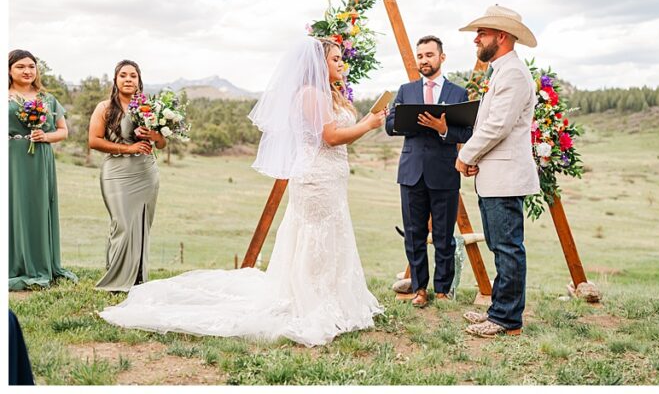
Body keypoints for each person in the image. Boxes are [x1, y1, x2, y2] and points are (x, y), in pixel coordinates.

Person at [100, 37, 386, 347]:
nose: (340, 64)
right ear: (318, 65)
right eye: (334, 59)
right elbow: (330, 137)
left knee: (330, 235)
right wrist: (369, 124)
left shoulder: (328, 94)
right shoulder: (309, 95)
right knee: (315, 238)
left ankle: (332, 296)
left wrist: (366, 121)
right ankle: (313, 301)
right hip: (317, 178)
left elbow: (341, 138)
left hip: (331, 177)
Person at [455, 5, 540, 338]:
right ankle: (499, 310)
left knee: (508, 248)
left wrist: (467, 156)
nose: (476, 39)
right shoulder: (500, 72)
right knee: (499, 245)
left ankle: (507, 319)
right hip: (494, 176)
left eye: (483, 33)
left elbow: (497, 126)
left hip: (505, 177)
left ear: (501, 37)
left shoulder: (514, 74)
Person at [385, 35, 473, 308]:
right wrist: (412, 122)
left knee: (444, 235)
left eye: (429, 55)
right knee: (414, 234)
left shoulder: (458, 94)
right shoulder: (406, 90)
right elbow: (390, 126)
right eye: (420, 56)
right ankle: (420, 288)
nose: (424, 60)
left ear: (441, 58)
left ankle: (444, 289)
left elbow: (466, 132)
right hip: (411, 172)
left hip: (444, 172)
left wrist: (441, 128)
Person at [88, 60, 163, 292]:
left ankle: (138, 278)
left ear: (139, 80)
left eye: (133, 75)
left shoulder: (150, 108)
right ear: (116, 80)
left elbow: (162, 143)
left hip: (146, 171)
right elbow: (94, 141)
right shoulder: (105, 108)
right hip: (116, 172)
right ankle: (116, 278)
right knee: (121, 223)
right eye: (123, 75)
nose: (128, 79)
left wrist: (154, 135)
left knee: (141, 223)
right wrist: (129, 149)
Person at [8, 49, 78, 290]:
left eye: (31, 66)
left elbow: (63, 131)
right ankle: (13, 263)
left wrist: (45, 135)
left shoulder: (47, 99)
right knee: (12, 207)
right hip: (10, 158)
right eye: (20, 66)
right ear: (9, 70)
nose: (27, 71)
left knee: (38, 208)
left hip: (40, 159)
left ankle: (40, 264)